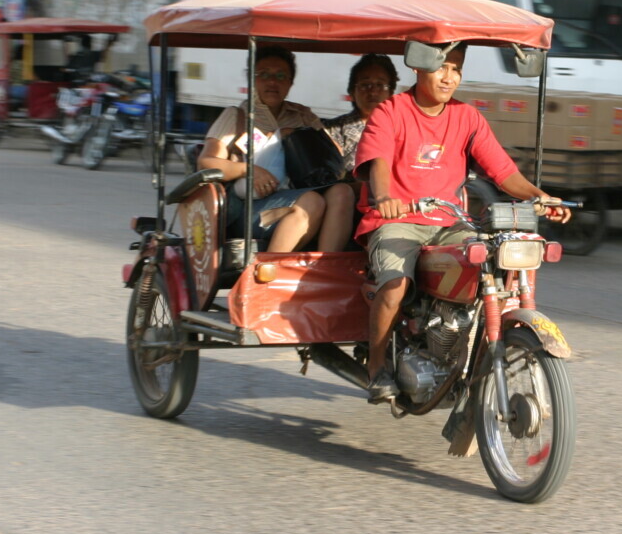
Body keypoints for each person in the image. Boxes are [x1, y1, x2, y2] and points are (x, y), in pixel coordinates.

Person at [354, 44, 570, 403]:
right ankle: (378, 366)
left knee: (492, 265)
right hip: (397, 221)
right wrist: (385, 198)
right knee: (394, 285)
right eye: (441, 68)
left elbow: (502, 171)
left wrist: (539, 196)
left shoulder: (467, 117)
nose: (449, 77)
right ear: (420, 69)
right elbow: (377, 162)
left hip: (450, 222)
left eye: (455, 69)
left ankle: (460, 351)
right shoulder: (390, 112)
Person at [198, 45, 351, 253]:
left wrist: (299, 137)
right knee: (311, 202)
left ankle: (325, 271)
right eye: (264, 74)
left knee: (342, 192)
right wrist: (249, 170)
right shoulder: (238, 116)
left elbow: (331, 154)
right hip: (251, 208)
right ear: (253, 78)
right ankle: (267, 273)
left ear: (290, 82)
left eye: (281, 75)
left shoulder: (302, 116)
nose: (272, 82)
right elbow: (206, 162)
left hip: (300, 192)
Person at [317, 54, 400, 250]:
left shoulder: (404, 129)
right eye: (365, 85)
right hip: (348, 202)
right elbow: (326, 178)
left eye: (380, 85)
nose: (372, 91)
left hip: (398, 203)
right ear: (352, 91)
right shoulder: (333, 129)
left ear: (391, 92)